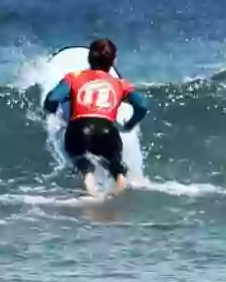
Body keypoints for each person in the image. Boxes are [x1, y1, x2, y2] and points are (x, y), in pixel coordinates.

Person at [41, 38, 150, 196]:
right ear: (114, 61)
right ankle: (118, 184)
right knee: (114, 164)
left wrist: (52, 113)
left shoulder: (74, 77)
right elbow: (142, 105)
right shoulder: (120, 83)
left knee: (82, 162)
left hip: (79, 127)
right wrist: (130, 124)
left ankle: (90, 186)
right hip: (108, 129)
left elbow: (52, 99)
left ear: (89, 59)